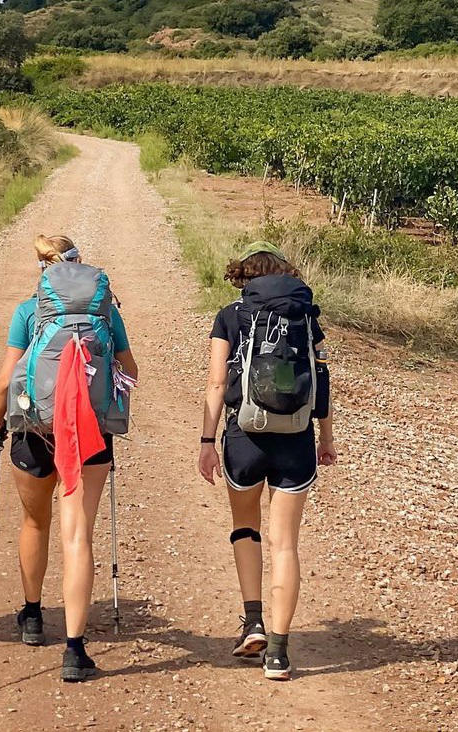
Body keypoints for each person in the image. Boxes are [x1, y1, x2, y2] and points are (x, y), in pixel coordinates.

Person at [0, 235, 139, 683]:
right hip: (89, 434)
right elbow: (130, 371)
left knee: (35, 523)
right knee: (78, 536)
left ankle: (33, 617)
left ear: (42, 269)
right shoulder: (107, 313)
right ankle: (74, 650)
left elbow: (4, 383)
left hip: (34, 430)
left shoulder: (27, 311)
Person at [197, 242, 337, 682]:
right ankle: (278, 652)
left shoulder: (230, 315)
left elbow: (216, 383)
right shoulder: (305, 317)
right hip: (296, 438)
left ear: (244, 277)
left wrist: (206, 441)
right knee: (286, 544)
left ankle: (253, 622)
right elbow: (320, 379)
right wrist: (326, 437)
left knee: (246, 529)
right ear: (284, 274)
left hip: (245, 437)